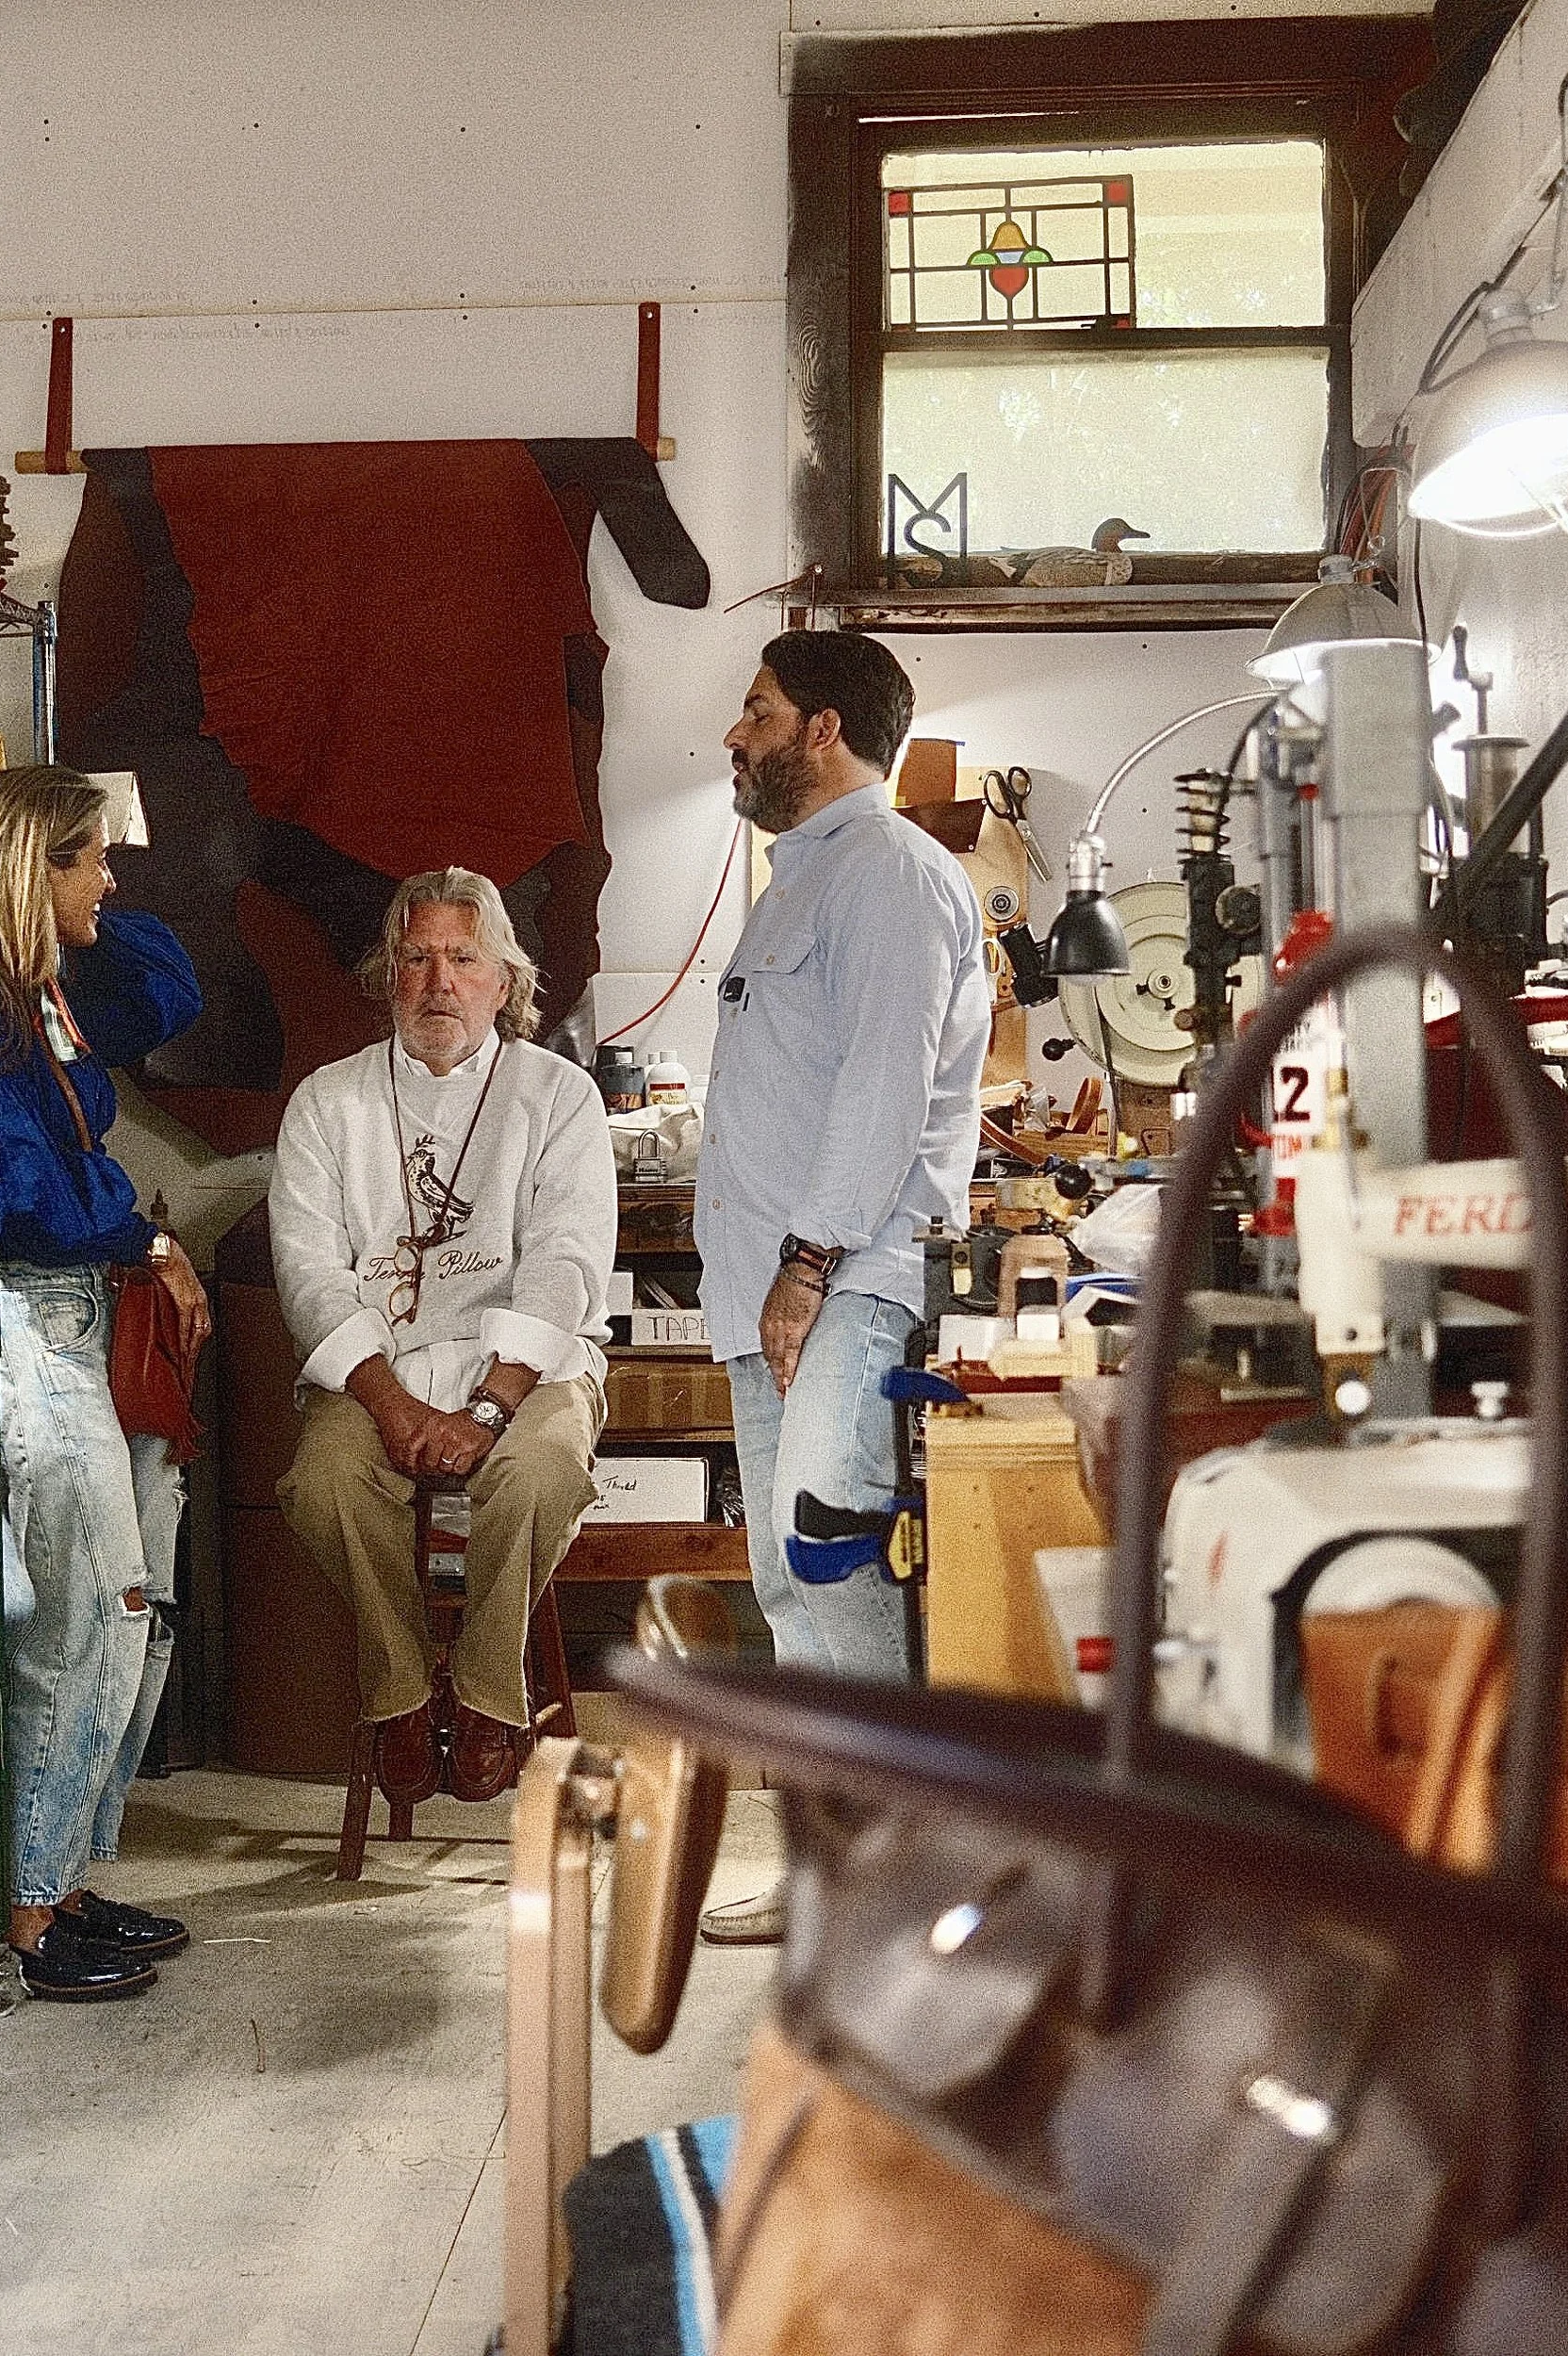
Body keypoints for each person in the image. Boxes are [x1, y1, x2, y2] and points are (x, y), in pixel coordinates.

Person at [0, 766, 211, 2002]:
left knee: (116, 1619)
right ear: (31, 870)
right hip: (28, 1329)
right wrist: (137, 1228)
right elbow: (20, 1195)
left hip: (67, 1326)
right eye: (91, 862)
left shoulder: (30, 991)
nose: (113, 881)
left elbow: (165, 987)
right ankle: (31, 1909)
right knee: (77, 1626)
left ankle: (63, 1878)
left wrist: (67, 900)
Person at [693, 630, 989, 1943]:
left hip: (842, 1285)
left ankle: (899, 1884)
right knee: (790, 1583)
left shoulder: (889, 872)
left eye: (755, 710)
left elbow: (883, 1087)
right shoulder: (805, 876)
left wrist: (808, 1270)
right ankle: (841, 1869)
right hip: (783, 1292)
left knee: (839, 1575)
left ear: (822, 729)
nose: (733, 734)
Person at [269, 868, 617, 1806]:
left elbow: (566, 1260)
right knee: (324, 1478)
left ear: (503, 980)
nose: (438, 982)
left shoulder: (557, 1095)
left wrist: (488, 1405)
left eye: (463, 958)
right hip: (377, 1368)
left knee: (538, 1472)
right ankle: (400, 1692)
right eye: (416, 957)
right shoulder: (326, 1103)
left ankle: (490, 1692)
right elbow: (307, 1270)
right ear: (387, 974)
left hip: (528, 1369)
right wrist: (388, 1401)